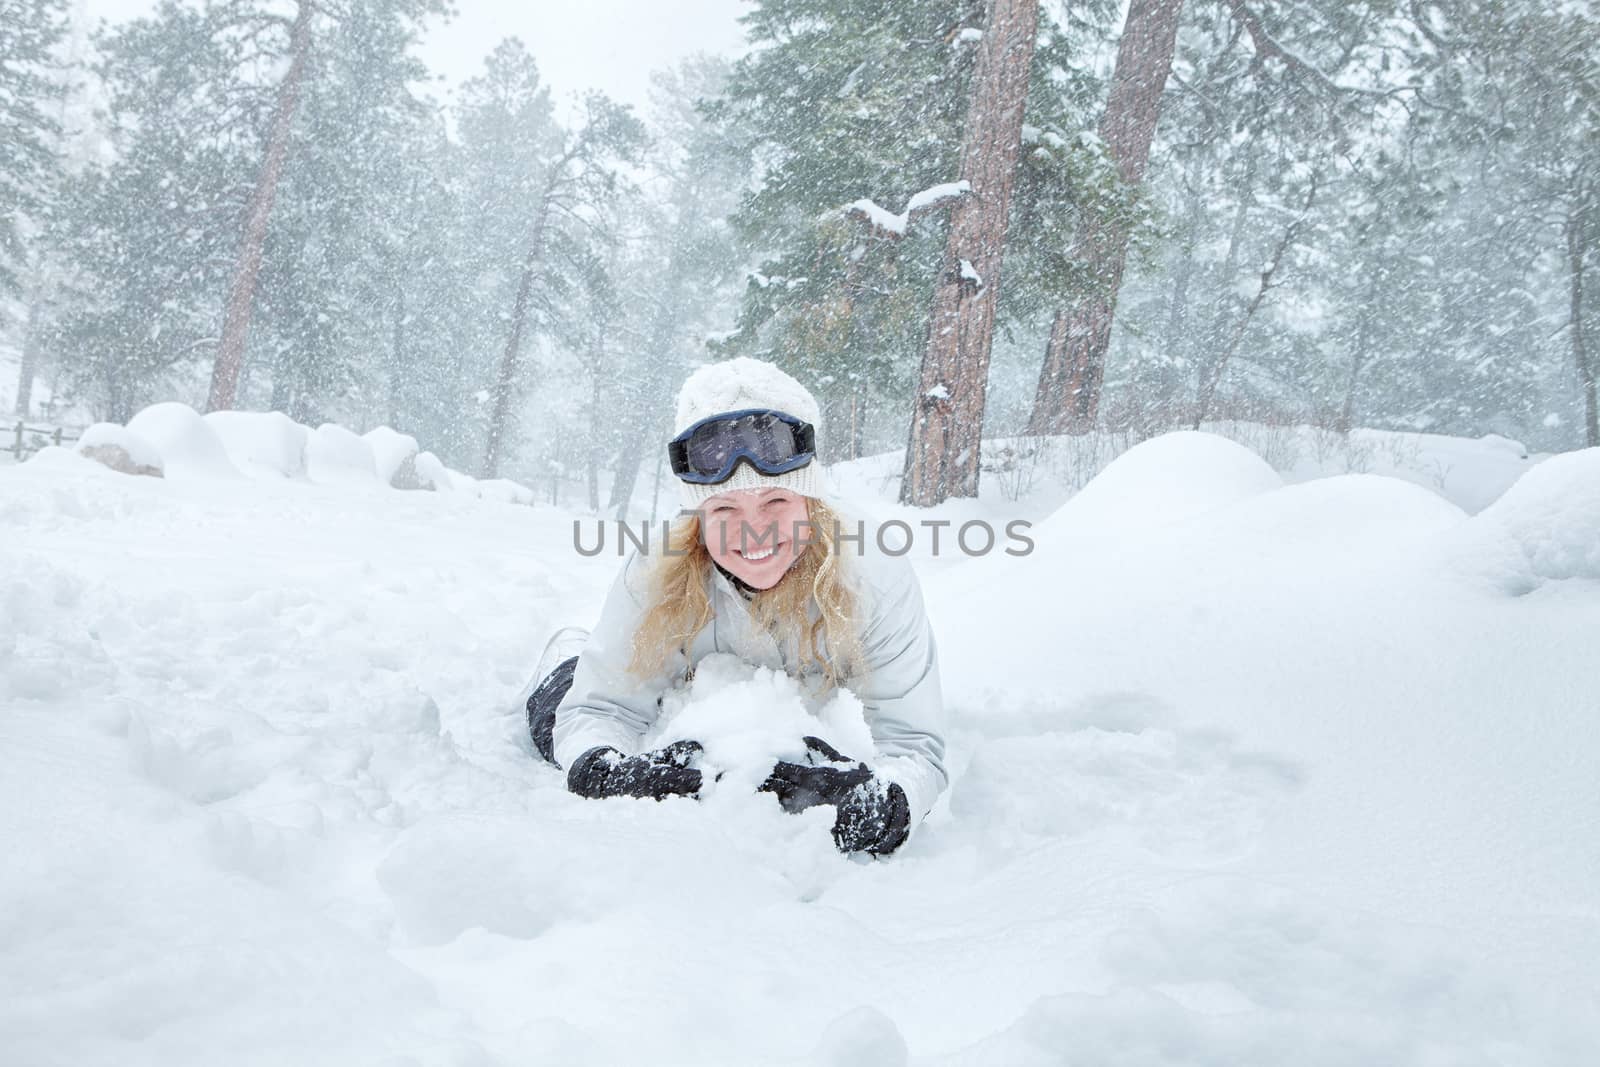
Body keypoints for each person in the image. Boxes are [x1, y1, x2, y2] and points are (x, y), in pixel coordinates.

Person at [524, 357, 947, 857]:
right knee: (550, 719)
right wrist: (609, 769)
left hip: (810, 698)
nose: (755, 531)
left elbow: (917, 744)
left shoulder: (872, 572)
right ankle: (569, 653)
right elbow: (598, 708)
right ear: (698, 515)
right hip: (682, 688)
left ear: (810, 502)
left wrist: (891, 802)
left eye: (776, 503)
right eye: (725, 509)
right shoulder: (656, 569)